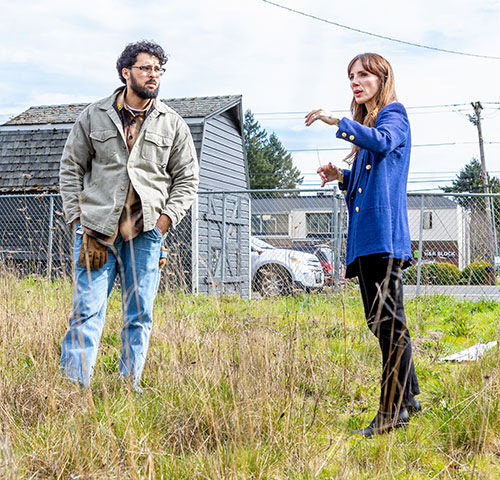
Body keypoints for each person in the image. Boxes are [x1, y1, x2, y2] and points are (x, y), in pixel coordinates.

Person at [59, 40, 199, 392]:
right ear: (126, 72)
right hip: (96, 232)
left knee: (139, 316)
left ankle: (128, 385)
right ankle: (75, 390)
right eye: (145, 68)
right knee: (87, 311)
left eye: (158, 69)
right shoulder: (93, 116)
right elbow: (71, 168)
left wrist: (166, 220)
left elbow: (188, 178)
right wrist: (77, 220)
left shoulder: (172, 123)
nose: (153, 75)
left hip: (146, 233)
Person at [305, 53, 420, 436]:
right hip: (368, 238)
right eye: (351, 76)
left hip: (382, 236)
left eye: (364, 75)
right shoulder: (370, 124)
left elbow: (385, 144)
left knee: (387, 323)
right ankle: (410, 398)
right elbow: (367, 180)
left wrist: (339, 121)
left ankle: (391, 411)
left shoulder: (394, 115)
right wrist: (342, 175)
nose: (356, 81)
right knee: (384, 322)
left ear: (382, 78)